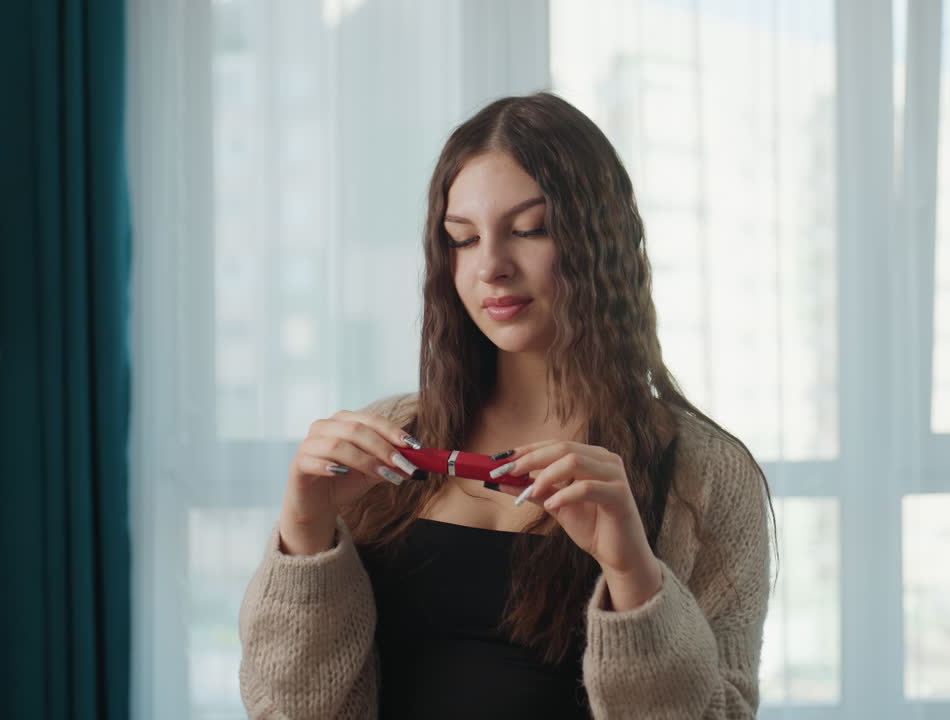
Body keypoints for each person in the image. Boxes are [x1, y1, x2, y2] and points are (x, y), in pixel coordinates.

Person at [238, 91, 774, 719]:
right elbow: (288, 708)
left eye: (529, 230)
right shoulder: (387, 435)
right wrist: (303, 532)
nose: (490, 266)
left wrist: (632, 572)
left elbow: (721, 713)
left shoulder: (707, 473)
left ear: (601, 241)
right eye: (463, 239)